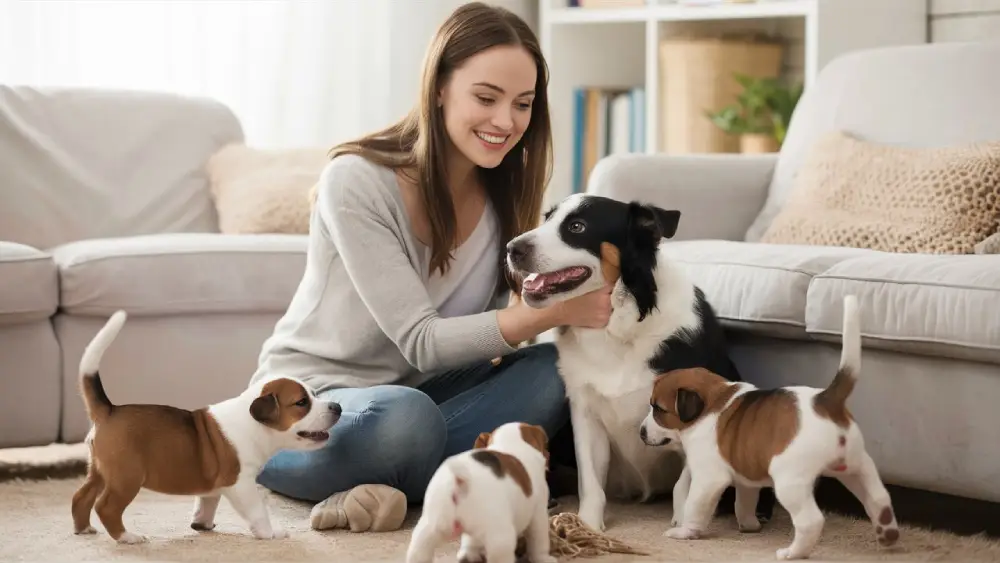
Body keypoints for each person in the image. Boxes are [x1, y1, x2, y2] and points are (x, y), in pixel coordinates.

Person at [249, 2, 612, 532]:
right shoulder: (355, 179)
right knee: (402, 420)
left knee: (554, 371)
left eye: (523, 104)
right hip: (311, 406)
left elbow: (485, 342)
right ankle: (459, 479)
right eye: (486, 98)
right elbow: (420, 340)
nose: (505, 122)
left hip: (427, 396)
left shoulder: (504, 198)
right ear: (439, 86)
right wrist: (545, 316)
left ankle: (390, 487)